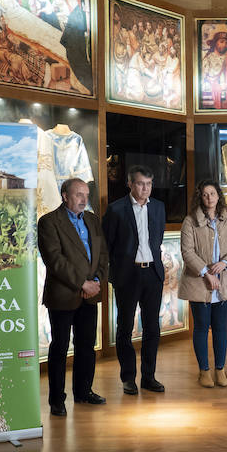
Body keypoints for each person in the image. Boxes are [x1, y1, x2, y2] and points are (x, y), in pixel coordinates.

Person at [37, 178, 109, 417]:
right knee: (59, 348)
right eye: (78, 194)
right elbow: (55, 260)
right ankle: (57, 400)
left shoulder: (92, 220)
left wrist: (97, 281)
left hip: (90, 295)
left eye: (86, 194)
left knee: (86, 346)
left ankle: (83, 391)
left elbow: (102, 254)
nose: (83, 199)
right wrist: (82, 283)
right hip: (64, 294)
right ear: (65, 196)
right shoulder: (49, 222)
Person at [102, 165, 167, 395]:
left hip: (153, 274)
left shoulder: (159, 208)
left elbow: (156, 239)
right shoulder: (116, 209)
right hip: (127, 276)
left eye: (149, 184)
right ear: (130, 184)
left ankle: (149, 377)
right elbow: (106, 246)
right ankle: (128, 377)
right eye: (140, 183)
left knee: (152, 328)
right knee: (125, 327)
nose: (145, 188)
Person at [178, 180, 227, 388]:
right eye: (205, 194)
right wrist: (206, 272)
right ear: (200, 197)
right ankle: (204, 371)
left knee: (220, 329)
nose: (209, 198)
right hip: (199, 282)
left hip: (224, 283)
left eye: (212, 193)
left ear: (218, 196)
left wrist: (224, 263)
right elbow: (187, 251)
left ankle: (220, 370)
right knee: (200, 328)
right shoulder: (190, 221)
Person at [201, 31, 227, 109]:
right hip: (212, 84)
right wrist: (215, 83)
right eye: (221, 42)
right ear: (215, 43)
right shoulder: (209, 58)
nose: (224, 45)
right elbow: (204, 75)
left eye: (226, 43)